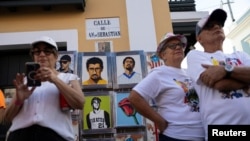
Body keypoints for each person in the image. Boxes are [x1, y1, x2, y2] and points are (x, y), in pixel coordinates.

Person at [4, 36, 85, 141]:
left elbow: (80, 103)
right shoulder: (24, 81)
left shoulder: (69, 78)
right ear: (33, 57)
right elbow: (7, 118)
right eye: (37, 52)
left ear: (56, 57)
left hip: (54, 136)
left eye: (47, 51)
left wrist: (55, 79)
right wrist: (19, 100)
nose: (42, 55)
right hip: (20, 135)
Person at [186, 9, 250, 140]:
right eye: (209, 26)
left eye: (219, 25)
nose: (216, 27)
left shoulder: (240, 54)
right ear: (199, 38)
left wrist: (225, 70)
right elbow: (221, 84)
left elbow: (223, 79)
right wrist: (246, 80)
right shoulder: (196, 56)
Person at [128, 32, 205, 141]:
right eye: (172, 46)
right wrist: (159, 121)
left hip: (202, 135)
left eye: (180, 45)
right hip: (175, 137)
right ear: (163, 55)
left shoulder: (189, 73)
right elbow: (134, 97)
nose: (178, 47)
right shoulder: (159, 74)